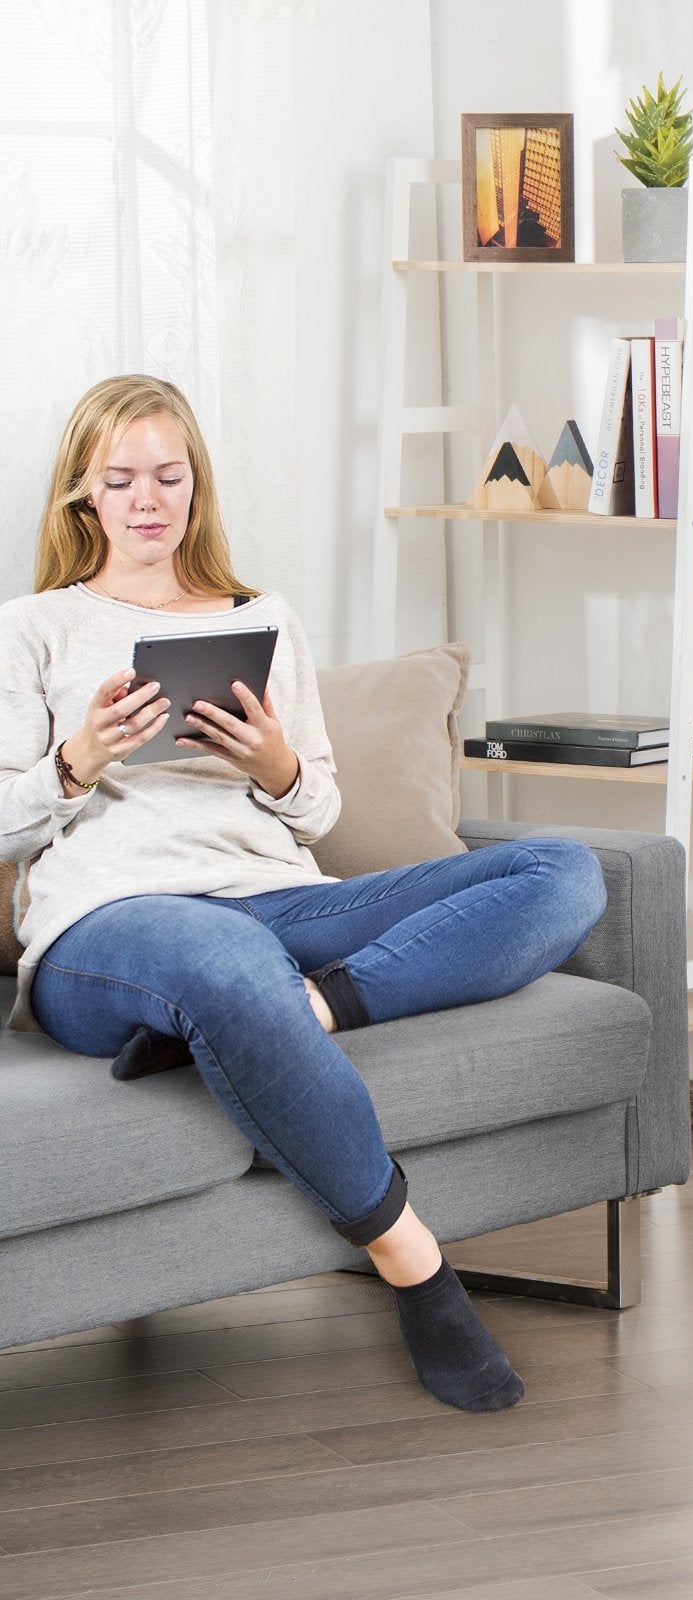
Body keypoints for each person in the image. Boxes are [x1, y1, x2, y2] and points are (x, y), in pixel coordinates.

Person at [0, 375, 610, 1413]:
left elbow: (318, 813)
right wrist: (77, 758)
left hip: (274, 900)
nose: (148, 499)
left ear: (197, 487)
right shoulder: (33, 628)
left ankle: (310, 1003)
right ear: (82, 496)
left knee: (562, 871)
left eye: (169, 476)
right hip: (107, 925)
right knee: (227, 964)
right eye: (121, 480)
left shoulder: (261, 616)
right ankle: (416, 1264)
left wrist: (275, 761)